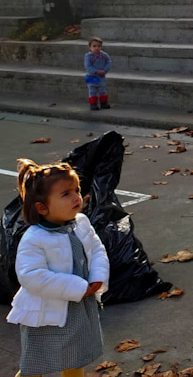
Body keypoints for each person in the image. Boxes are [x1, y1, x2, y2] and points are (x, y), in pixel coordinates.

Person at [7, 159, 110, 377]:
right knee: (37, 361)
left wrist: (98, 276)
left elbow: (96, 249)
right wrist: (76, 287)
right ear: (42, 208)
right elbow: (31, 276)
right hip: (46, 313)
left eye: (77, 190)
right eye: (66, 194)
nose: (76, 197)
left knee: (75, 354)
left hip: (78, 307)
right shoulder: (35, 238)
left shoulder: (81, 223)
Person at [83, 37, 111, 111]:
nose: (97, 48)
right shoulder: (88, 56)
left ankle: (103, 103)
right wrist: (95, 71)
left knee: (103, 90)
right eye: (94, 46)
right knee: (92, 91)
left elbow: (108, 62)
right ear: (90, 47)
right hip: (92, 76)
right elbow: (88, 66)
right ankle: (93, 104)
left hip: (101, 76)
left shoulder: (104, 55)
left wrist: (105, 70)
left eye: (99, 46)